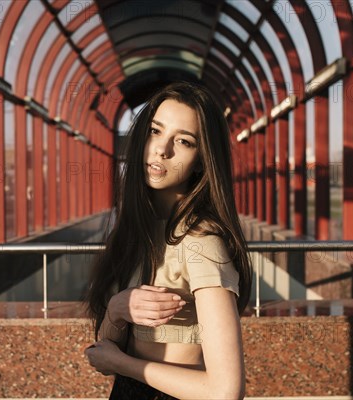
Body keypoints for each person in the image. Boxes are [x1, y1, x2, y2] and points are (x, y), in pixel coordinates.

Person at [84, 82, 252, 399]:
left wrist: (124, 363)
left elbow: (225, 391)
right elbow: (102, 359)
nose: (163, 149)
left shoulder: (201, 241)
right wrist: (117, 310)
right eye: (155, 131)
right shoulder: (135, 231)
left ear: (201, 160)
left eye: (184, 141)